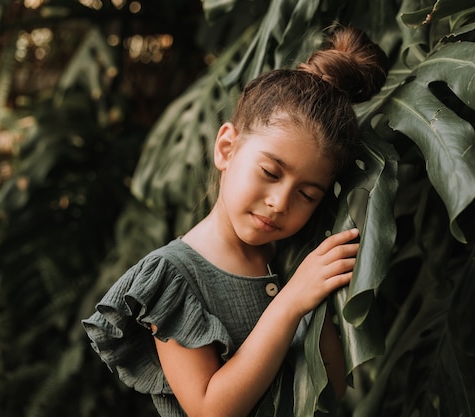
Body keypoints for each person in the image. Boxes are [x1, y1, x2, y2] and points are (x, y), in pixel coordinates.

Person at [83, 26, 388, 417]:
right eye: (270, 172)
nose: (280, 202)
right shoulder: (173, 278)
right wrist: (291, 302)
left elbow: (336, 387)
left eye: (308, 194)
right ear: (227, 147)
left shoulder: (293, 258)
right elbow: (211, 409)